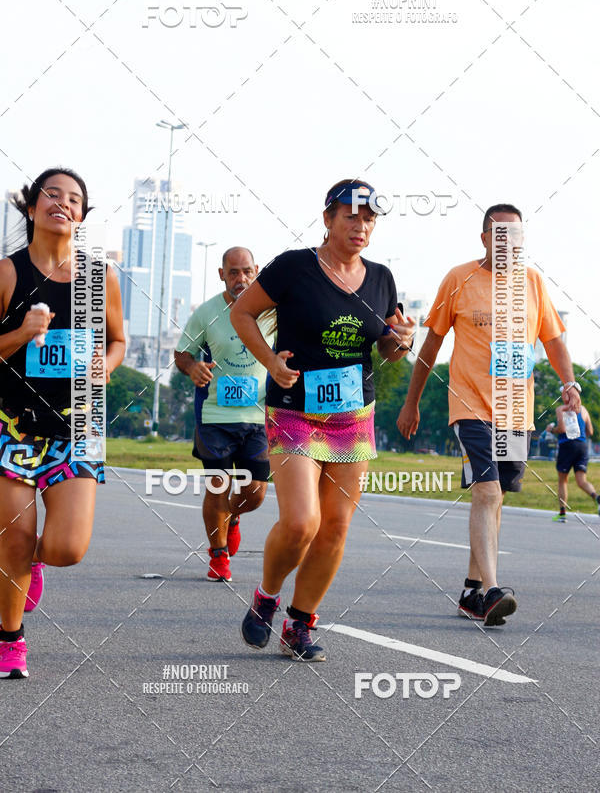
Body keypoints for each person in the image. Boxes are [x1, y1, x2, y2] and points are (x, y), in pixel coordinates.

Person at [231, 180, 415, 661]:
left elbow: (387, 349)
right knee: (300, 521)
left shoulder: (382, 278)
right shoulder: (295, 266)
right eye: (350, 216)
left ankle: (300, 624)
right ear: (328, 218)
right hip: (294, 408)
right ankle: (267, 596)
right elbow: (243, 313)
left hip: (353, 413)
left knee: (334, 527)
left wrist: (401, 340)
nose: (360, 226)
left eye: (369, 218)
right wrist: (271, 362)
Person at [397, 204, 581, 626]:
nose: (511, 243)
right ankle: (493, 592)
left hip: (516, 410)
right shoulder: (458, 278)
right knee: (487, 492)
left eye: (518, 235)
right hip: (471, 405)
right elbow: (431, 346)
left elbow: (553, 341)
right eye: (502, 235)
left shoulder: (533, 283)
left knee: (496, 500)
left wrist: (569, 382)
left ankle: (470, 590)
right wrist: (412, 401)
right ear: (485, 239)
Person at [0, 168, 126, 679]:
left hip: (80, 426)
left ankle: (28, 570)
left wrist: (107, 365)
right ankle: (9, 637)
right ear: (31, 208)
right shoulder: (8, 274)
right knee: (13, 535)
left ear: (81, 215)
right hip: (13, 424)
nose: (63, 203)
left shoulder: (102, 278)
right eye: (52, 194)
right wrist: (20, 333)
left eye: (74, 199)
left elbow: (118, 341)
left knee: (66, 548)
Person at [174, 247, 273, 582]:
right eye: (233, 272)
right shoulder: (207, 313)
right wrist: (193, 368)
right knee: (218, 484)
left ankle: (232, 517)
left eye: (246, 271)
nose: (240, 279)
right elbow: (182, 354)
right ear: (221, 275)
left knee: (256, 492)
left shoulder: (272, 313)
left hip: (259, 417)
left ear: (256, 270)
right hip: (214, 414)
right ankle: (218, 555)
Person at [547, 404, 600, 521]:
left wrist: (551, 430)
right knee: (581, 481)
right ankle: (597, 497)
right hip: (582, 446)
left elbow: (562, 429)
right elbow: (590, 431)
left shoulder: (561, 408)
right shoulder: (584, 409)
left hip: (567, 446)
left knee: (563, 481)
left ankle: (562, 514)